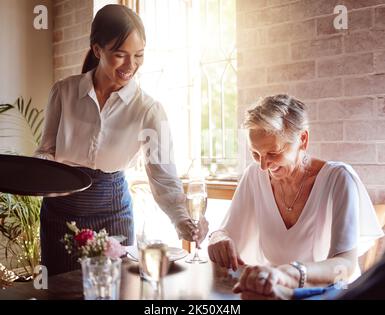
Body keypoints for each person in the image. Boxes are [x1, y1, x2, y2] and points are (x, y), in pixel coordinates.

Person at [35, 4, 208, 275]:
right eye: (120, 55)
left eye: (138, 55)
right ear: (97, 50)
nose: (131, 65)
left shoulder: (148, 110)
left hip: (112, 211)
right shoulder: (64, 92)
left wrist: (184, 220)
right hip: (60, 211)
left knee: (115, 291)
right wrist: (32, 173)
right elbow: (47, 151)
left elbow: (163, 177)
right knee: (61, 292)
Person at [207, 94, 383, 299]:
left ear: (302, 139)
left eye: (273, 153)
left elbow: (345, 267)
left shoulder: (338, 179)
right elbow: (225, 232)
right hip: (276, 292)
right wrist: (218, 237)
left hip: (332, 295)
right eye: (256, 154)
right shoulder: (254, 175)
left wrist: (290, 273)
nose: (264, 165)